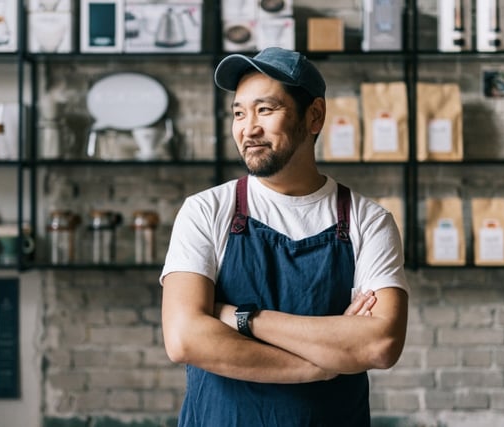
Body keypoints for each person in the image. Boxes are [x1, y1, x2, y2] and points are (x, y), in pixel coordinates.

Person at [160, 47, 409, 426]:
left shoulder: (368, 221)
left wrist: (240, 318)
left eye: (265, 109)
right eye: (239, 113)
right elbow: (184, 338)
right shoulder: (206, 211)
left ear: (314, 116)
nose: (249, 128)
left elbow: (380, 344)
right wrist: (318, 365)